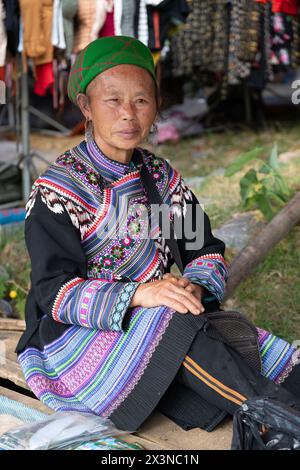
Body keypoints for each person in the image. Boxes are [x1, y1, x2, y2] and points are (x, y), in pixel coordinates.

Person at [15, 36, 300, 433]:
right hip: (76, 338)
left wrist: (191, 288)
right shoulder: (58, 189)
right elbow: (53, 291)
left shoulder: (161, 179)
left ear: (156, 108)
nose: (128, 114)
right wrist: (140, 295)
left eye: (141, 101)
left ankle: (277, 418)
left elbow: (206, 253)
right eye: (113, 100)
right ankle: (283, 421)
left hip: (158, 321)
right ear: (86, 107)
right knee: (173, 322)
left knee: (251, 347)